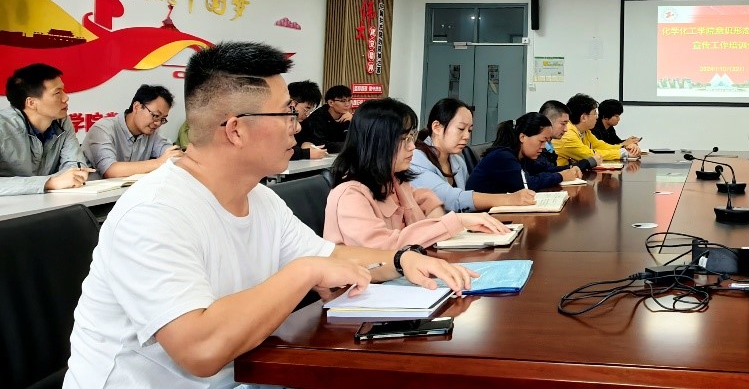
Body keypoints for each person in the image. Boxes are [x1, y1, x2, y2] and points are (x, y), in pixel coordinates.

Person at [65, 42, 475, 388]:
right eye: (287, 115)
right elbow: (200, 350)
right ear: (236, 130)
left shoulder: (259, 198)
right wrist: (305, 272)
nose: (297, 127)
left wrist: (402, 260)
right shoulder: (154, 212)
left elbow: (330, 255)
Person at [324, 97, 508, 250]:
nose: (412, 146)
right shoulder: (351, 195)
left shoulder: (396, 181)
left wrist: (437, 214)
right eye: (404, 139)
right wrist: (454, 222)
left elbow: (423, 196)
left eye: (411, 138)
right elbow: (385, 248)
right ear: (378, 142)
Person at [409, 97, 536, 212]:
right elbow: (451, 199)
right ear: (437, 127)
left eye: (469, 130)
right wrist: (509, 199)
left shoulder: (458, 161)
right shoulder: (415, 159)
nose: (467, 136)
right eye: (461, 129)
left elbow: (464, 205)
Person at [0, 63, 93, 195]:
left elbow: (75, 166)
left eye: (63, 90)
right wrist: (49, 182)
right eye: (57, 93)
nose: (66, 98)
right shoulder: (3, 127)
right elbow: (59, 180)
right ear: (31, 103)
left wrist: (72, 176)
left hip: (50, 203)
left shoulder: (62, 122)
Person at [467, 112, 583, 193]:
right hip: (480, 214)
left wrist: (570, 169)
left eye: (546, 142)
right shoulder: (503, 156)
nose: (543, 147)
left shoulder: (522, 156)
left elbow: (545, 169)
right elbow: (528, 184)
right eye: (541, 141)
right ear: (522, 137)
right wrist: (561, 176)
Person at [83, 84, 183, 178]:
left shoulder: (153, 132)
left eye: (163, 119)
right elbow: (110, 170)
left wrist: (175, 155)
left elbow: (171, 153)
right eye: (155, 115)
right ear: (137, 107)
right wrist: (159, 162)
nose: (158, 123)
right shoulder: (103, 129)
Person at [554, 94, 640, 167]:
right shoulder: (567, 134)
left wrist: (624, 148)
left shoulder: (585, 131)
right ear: (583, 117)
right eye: (594, 113)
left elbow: (600, 145)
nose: (597, 117)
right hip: (561, 177)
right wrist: (622, 153)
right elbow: (589, 155)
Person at [294, 84, 352, 153]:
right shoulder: (316, 118)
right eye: (343, 101)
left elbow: (356, 140)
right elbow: (321, 144)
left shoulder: (349, 117)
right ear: (331, 102)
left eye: (349, 100)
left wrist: (353, 121)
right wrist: (350, 146)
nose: (347, 104)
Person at [288, 80, 328, 160]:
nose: (307, 114)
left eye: (311, 110)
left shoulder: (305, 122)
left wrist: (308, 144)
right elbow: (279, 150)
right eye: (307, 108)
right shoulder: (276, 121)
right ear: (292, 103)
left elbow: (313, 139)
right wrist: (306, 153)